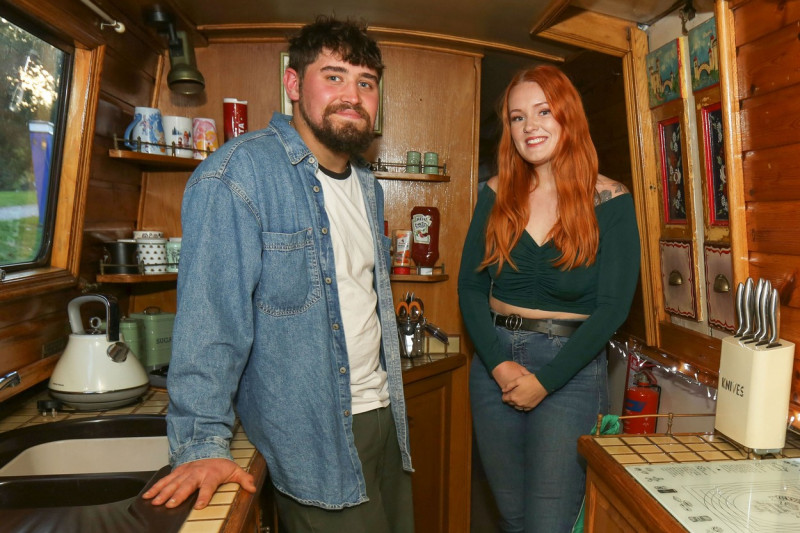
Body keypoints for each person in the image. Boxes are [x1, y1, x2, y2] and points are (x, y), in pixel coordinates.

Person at [143, 16, 414, 533]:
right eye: (333, 76)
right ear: (293, 84)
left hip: (385, 420)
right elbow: (211, 324)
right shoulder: (237, 176)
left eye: (366, 82)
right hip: (315, 436)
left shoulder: (367, 185)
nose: (352, 95)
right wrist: (201, 443)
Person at [457, 65, 640, 533]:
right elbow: (472, 288)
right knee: (513, 517)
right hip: (495, 364)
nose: (529, 126)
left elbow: (614, 308)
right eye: (517, 117)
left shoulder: (610, 198)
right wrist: (497, 364)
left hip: (572, 369)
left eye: (542, 111)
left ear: (568, 116)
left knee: (550, 524)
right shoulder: (495, 194)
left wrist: (547, 381)